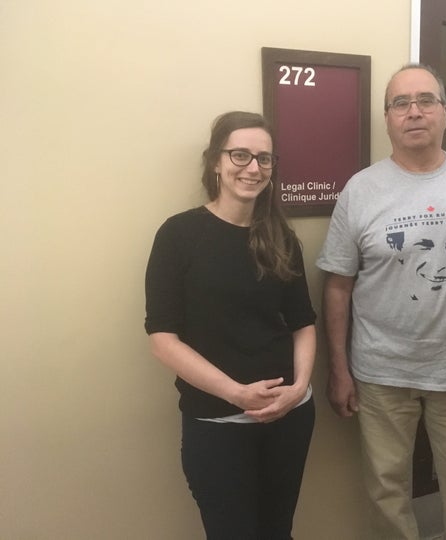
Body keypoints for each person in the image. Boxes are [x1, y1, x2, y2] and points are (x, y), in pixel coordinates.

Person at [317, 64, 446, 540]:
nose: (414, 112)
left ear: (444, 112)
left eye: (425, 100)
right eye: (401, 103)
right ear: (388, 117)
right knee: (386, 490)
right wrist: (338, 368)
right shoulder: (361, 190)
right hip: (379, 374)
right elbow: (338, 285)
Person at [144, 111, 316, 540]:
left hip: (289, 416)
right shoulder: (179, 235)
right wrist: (238, 394)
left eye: (264, 158)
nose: (253, 167)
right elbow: (162, 339)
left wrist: (297, 390)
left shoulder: (280, 237)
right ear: (216, 163)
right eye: (240, 155)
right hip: (216, 423)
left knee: (278, 531)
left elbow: (303, 324)